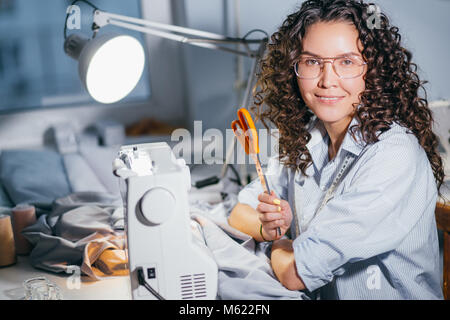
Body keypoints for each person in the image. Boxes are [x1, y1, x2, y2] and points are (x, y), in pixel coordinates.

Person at [228, 0, 446, 299]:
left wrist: (280, 242)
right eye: (312, 61)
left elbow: (295, 274)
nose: (327, 81)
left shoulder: (393, 156)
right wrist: (271, 228)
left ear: (374, 70)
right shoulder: (307, 138)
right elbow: (239, 213)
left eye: (346, 61)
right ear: (294, 67)